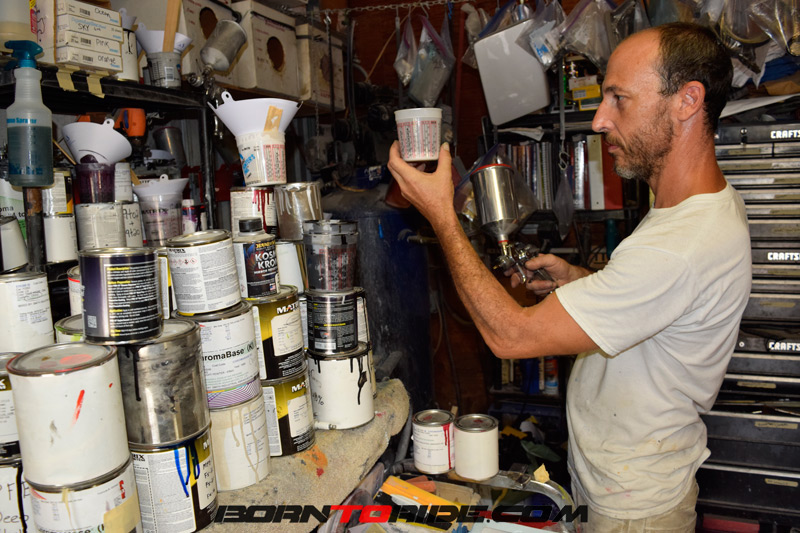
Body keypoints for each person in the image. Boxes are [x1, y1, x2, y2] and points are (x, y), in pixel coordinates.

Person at [387, 22, 751, 531]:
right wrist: (583, 281)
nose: (600, 120)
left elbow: (510, 336)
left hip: (634, 511)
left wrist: (441, 216)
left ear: (688, 100)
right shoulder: (692, 209)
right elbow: (662, 305)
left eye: (619, 99)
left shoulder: (682, 244)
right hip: (619, 482)